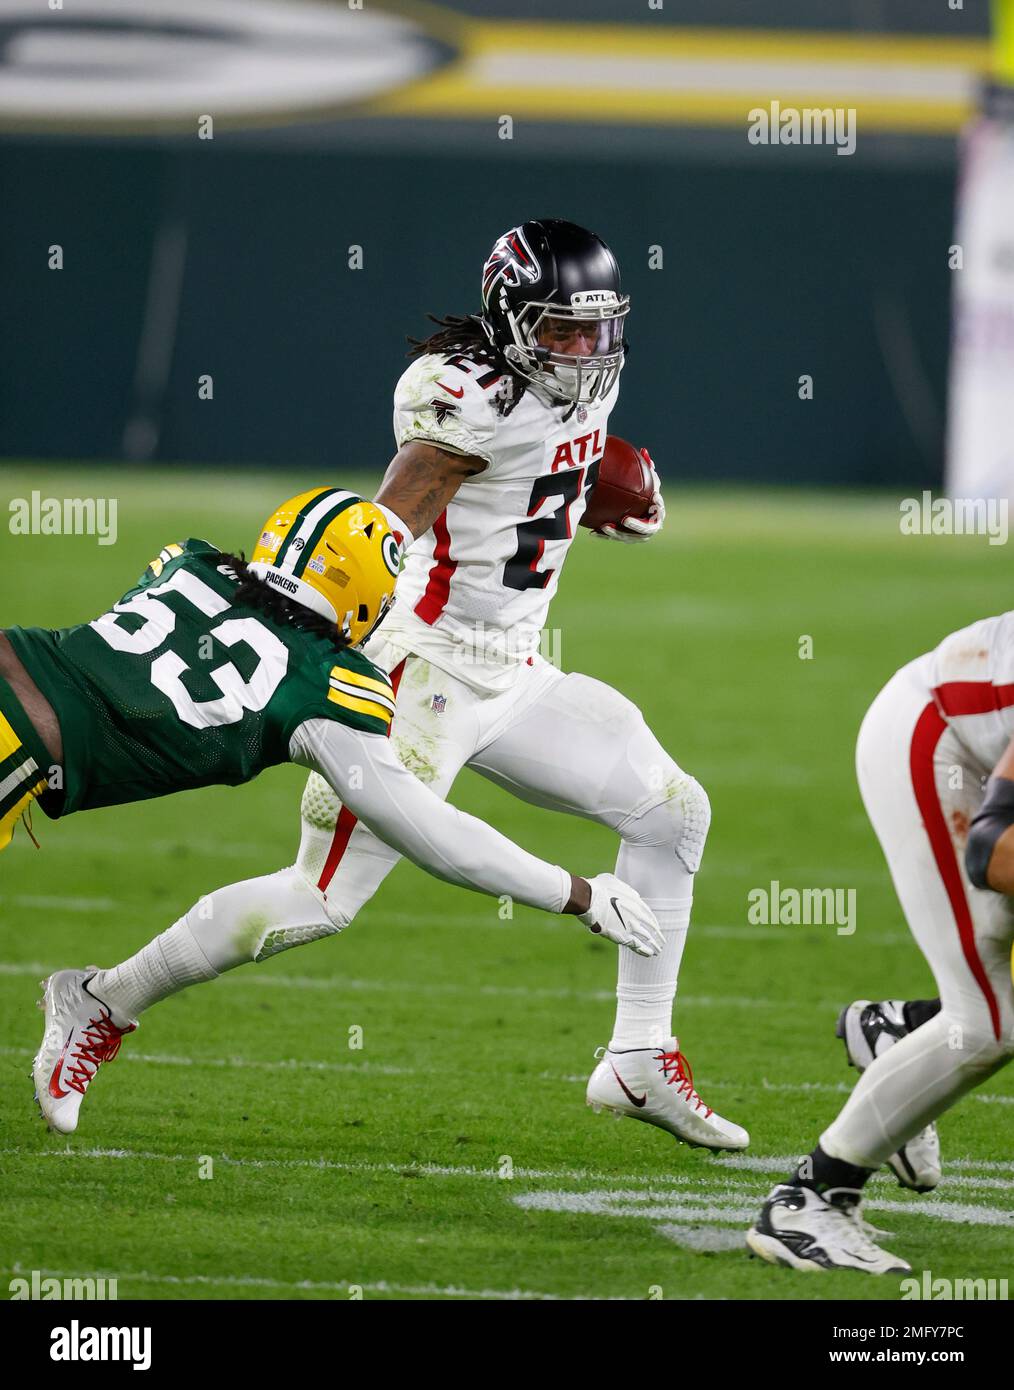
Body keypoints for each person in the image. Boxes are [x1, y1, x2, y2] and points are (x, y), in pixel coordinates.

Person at [71, 218, 748, 1153]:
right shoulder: (456, 400)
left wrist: (603, 481)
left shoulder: (577, 372)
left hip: (513, 670)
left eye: (597, 329)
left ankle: (637, 1059)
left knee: (674, 813)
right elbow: (400, 511)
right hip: (421, 671)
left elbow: (548, 452)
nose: (584, 351)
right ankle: (100, 1002)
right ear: (512, 321)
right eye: (561, 331)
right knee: (319, 900)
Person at [3, 488, 661, 1135]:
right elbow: (431, 834)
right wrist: (577, 894)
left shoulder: (188, 562)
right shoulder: (323, 687)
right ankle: (97, 1005)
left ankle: (98, 1006)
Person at [746, 610, 1014, 1273]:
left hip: (974, 754)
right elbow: (992, 848)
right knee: (992, 1020)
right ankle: (809, 1199)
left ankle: (900, 1030)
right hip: (936, 744)